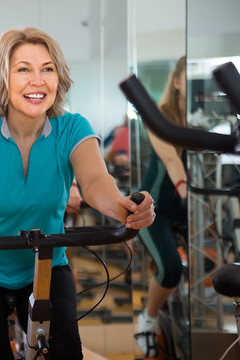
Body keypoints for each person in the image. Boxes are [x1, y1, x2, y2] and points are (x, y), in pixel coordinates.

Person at [0, 27, 156, 360]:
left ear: (59, 77)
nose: (37, 80)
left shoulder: (73, 128)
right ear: (2, 78)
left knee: (66, 353)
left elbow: (96, 180)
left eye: (47, 69)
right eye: (23, 69)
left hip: (44, 265)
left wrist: (123, 207)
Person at [135, 56, 187, 358]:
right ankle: (149, 317)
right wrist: (184, 191)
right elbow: (171, 159)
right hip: (157, 209)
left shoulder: (204, 117)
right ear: (177, 82)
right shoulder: (159, 116)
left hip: (190, 206)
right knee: (170, 269)